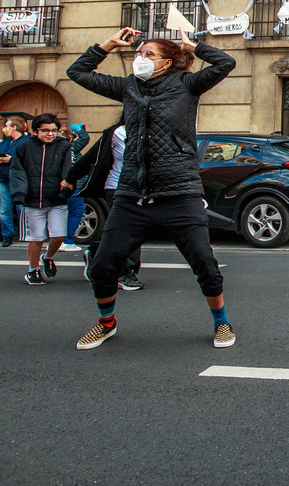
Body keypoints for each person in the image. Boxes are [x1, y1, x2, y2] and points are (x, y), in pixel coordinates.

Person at [66, 27, 237, 350]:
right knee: (103, 265)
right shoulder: (128, 88)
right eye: (137, 53)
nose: (140, 59)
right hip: (133, 195)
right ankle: (106, 323)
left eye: (149, 54)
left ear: (168, 62)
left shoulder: (187, 84)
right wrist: (107, 46)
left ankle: (222, 323)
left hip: (180, 193)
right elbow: (77, 72)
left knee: (204, 263)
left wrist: (194, 46)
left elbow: (225, 63)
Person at [68, 118, 144, 290]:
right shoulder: (115, 132)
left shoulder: (151, 134)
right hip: (116, 188)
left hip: (139, 190)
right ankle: (125, 274)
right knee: (128, 229)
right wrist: (71, 177)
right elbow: (92, 156)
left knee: (125, 229)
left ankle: (95, 253)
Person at [10, 114, 73, 286]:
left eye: (54, 130)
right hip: (33, 200)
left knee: (59, 236)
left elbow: (68, 168)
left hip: (56, 199)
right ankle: (32, 270)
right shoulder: (24, 147)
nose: (50, 134)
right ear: (36, 130)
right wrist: (19, 194)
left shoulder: (63, 146)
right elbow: (16, 171)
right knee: (36, 238)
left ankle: (48, 257)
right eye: (46, 130)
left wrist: (67, 185)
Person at [0, 116, 30, 247]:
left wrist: (11, 159)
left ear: (14, 127)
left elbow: (29, 161)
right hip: (3, 179)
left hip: (19, 180)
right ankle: (7, 235)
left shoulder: (27, 142)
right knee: (4, 210)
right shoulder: (3, 144)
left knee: (21, 208)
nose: (5, 129)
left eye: (7, 126)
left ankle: (25, 233)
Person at [58, 124, 90, 252]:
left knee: (62, 214)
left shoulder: (57, 149)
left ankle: (59, 240)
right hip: (74, 185)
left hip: (63, 185)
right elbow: (85, 139)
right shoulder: (71, 147)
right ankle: (67, 241)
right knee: (76, 212)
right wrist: (80, 131)